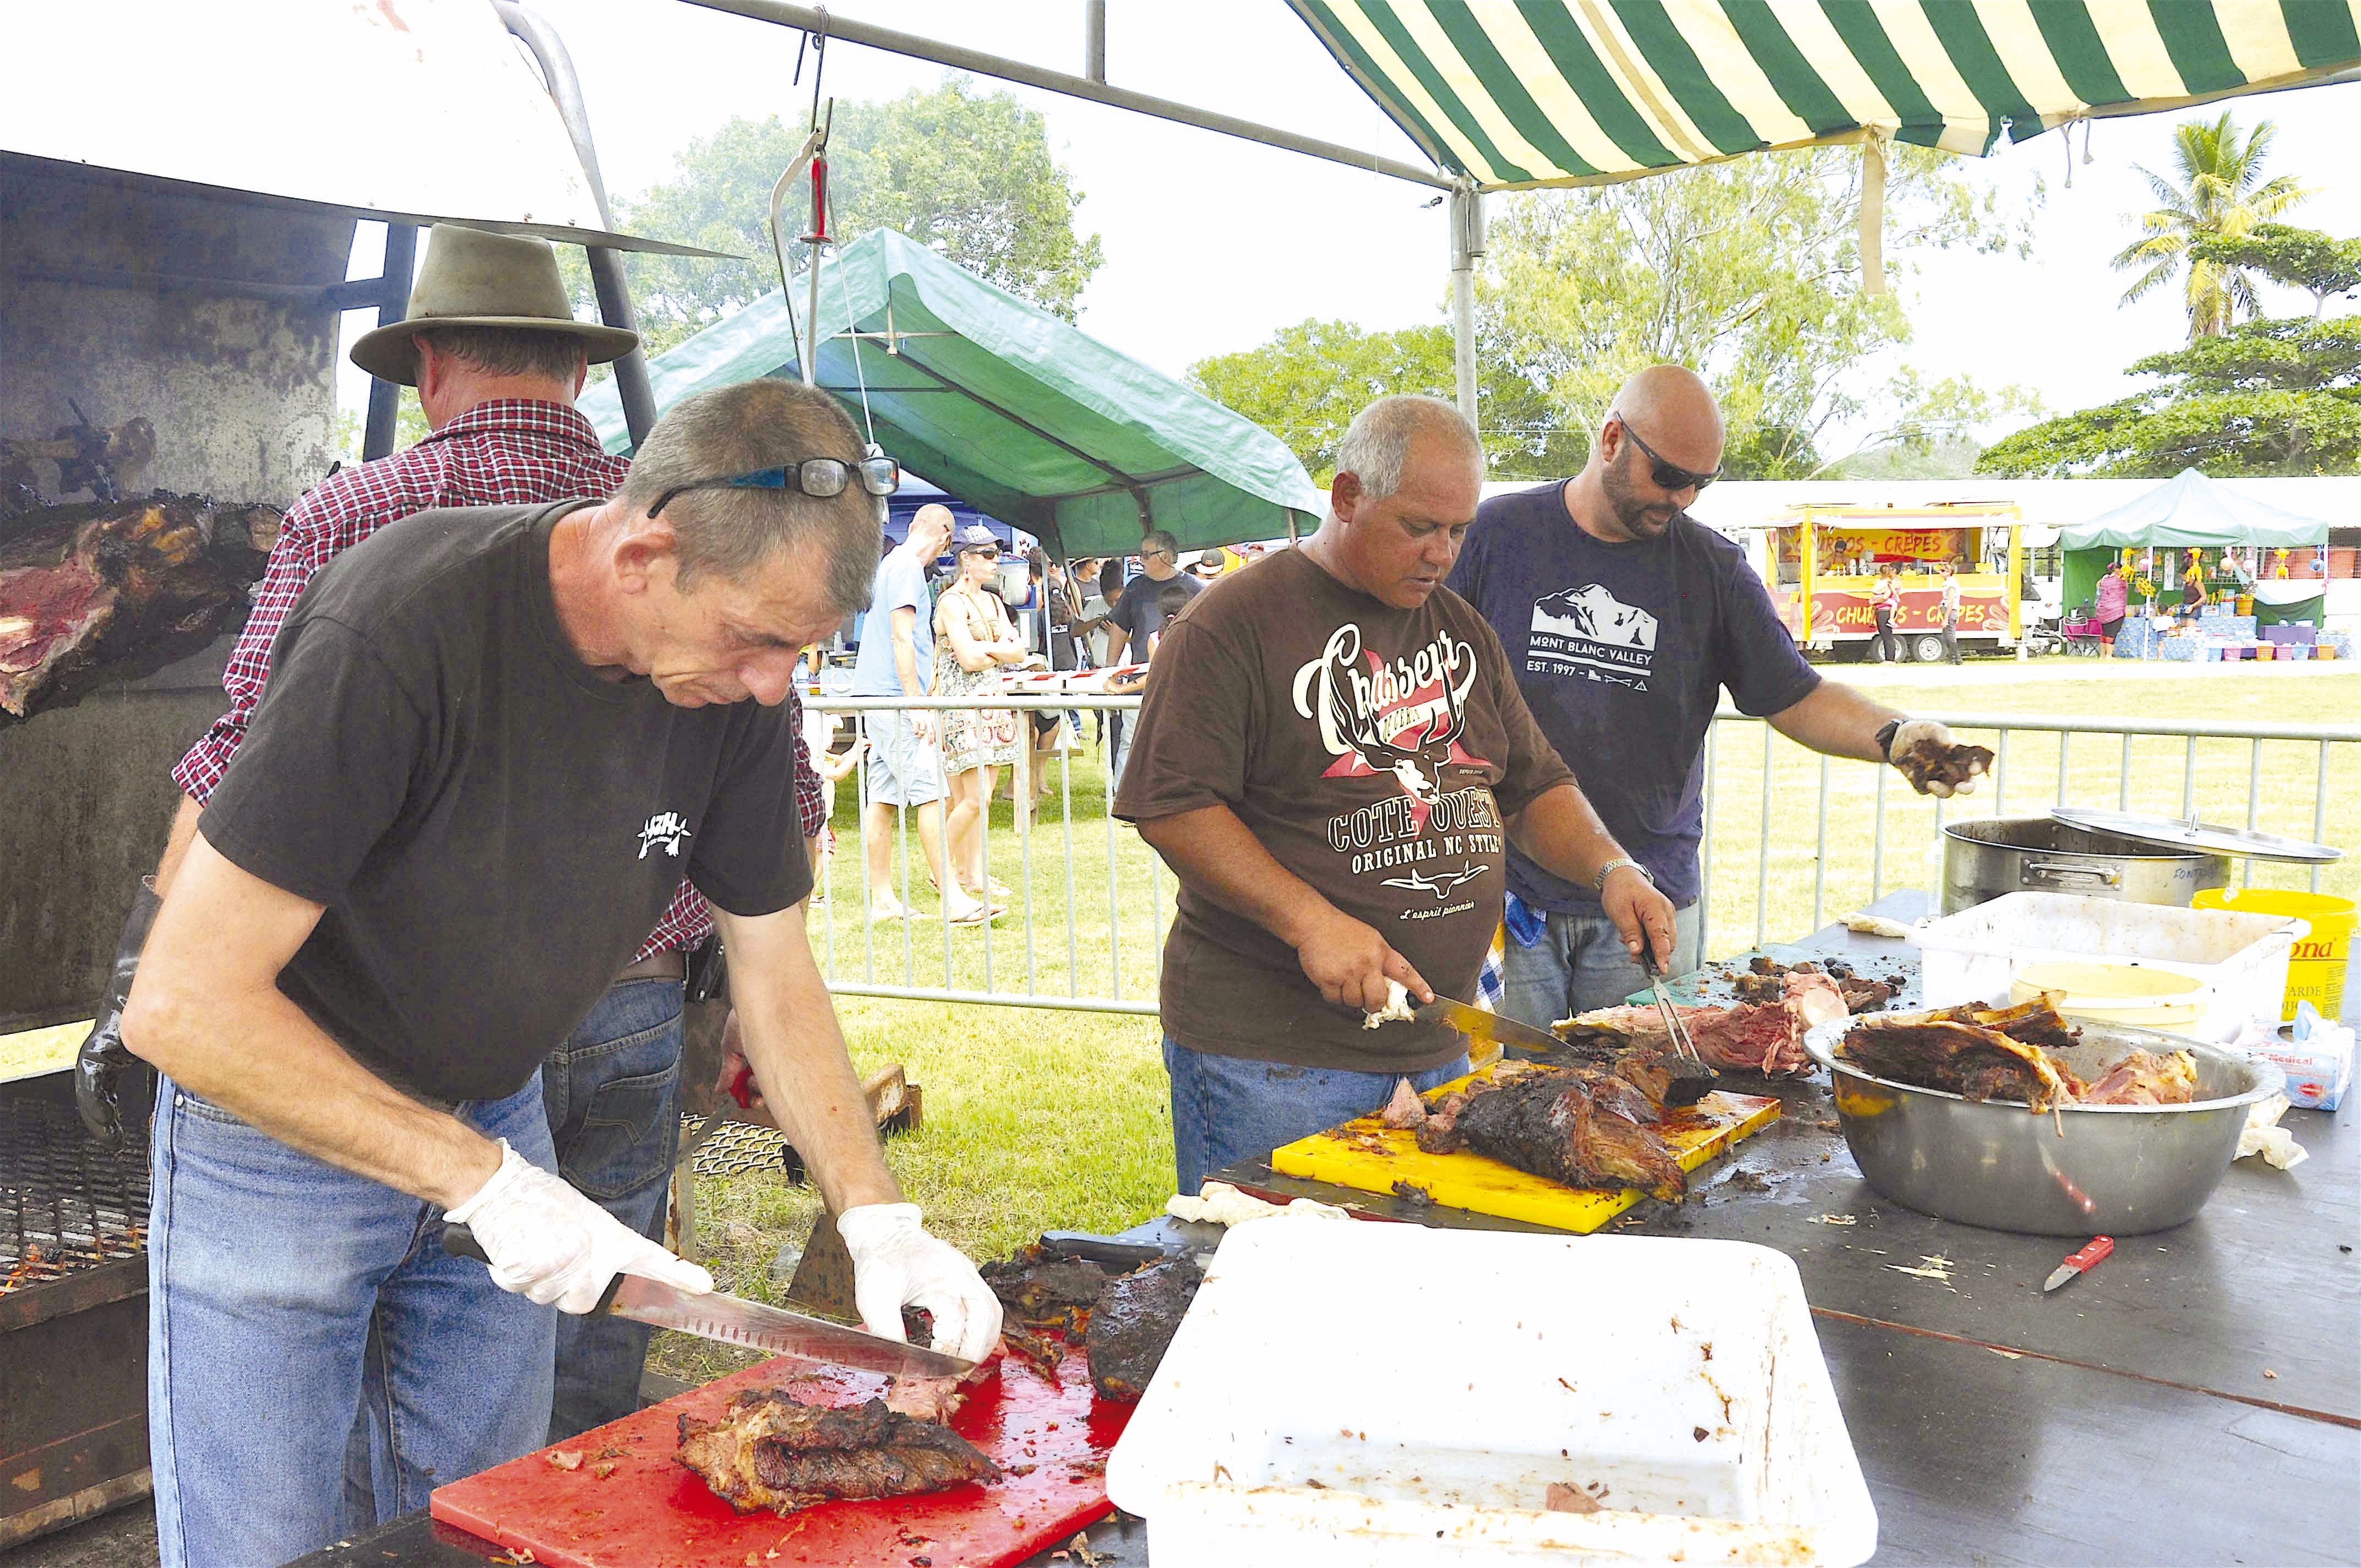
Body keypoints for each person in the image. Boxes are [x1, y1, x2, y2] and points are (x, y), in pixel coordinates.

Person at [117, 379, 1002, 1568]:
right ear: (644, 552)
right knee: (263, 1542)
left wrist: (876, 1212)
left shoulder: (735, 685)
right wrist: (483, 1183)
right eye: (755, 640)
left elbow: (772, 966)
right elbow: (181, 1003)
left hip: (494, 1101)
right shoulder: (404, 624)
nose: (770, 684)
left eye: (798, 651)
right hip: (277, 1132)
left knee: (486, 1520)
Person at [66, 225, 829, 1454]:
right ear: (577, 369)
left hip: (427, 1045)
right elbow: (782, 816)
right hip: (619, 1004)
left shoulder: (360, 509)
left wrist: (139, 966)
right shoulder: (704, 531)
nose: (764, 673)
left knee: (356, 1407)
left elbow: (231, 771)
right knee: (558, 1387)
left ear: (426, 366)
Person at [1116, 396, 1677, 1195]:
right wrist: (1310, 921)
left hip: (1436, 1046)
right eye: (1420, 527)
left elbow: (1532, 786)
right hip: (1273, 1062)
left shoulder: (1460, 630)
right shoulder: (1232, 623)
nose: (1442, 553)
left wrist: (1612, 868)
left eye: (1459, 531)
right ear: (1347, 498)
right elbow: (1171, 805)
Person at [1446, 365, 1985, 1031]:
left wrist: (1894, 736)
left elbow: (1795, 693)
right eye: (1671, 476)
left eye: (1703, 482)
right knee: (1502, 1102)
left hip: (1648, 904)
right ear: (1612, 439)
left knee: (1644, 1105)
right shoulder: (1495, 536)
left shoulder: (1712, 569)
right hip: (1505, 894)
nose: (1685, 499)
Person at [852, 504, 991, 924]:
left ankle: (883, 900)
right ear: (946, 539)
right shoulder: (910, 570)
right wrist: (917, 703)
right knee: (931, 793)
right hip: (896, 698)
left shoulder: (886, 566)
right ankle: (952, 898)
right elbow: (902, 638)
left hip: (875, 694)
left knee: (883, 797)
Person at [933, 524, 1030, 905]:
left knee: (979, 800)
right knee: (971, 799)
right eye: (987, 555)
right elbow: (969, 660)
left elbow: (1019, 651)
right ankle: (939, 868)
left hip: (992, 702)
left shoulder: (992, 601)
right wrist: (997, 649)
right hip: (961, 705)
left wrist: (987, 648)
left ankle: (970, 874)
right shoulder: (950, 603)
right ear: (966, 559)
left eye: (996, 554)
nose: (995, 562)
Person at [1105, 531, 1201, 786]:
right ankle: (1122, 792)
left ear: (1166, 556)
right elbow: (1119, 628)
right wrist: (1110, 670)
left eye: (1146, 555)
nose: (1141, 560)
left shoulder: (1196, 589)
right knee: (1131, 739)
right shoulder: (1135, 588)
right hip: (1140, 683)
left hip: (1184, 686)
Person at [2095, 560, 2129, 658]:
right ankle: (2109, 655)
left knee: (2104, 633)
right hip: (2116, 610)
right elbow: (2126, 586)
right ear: (2118, 570)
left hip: (2102, 610)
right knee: (2112, 633)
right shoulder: (2121, 579)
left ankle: (2102, 655)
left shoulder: (2104, 579)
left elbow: (2098, 587)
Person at [1870, 560, 1902, 664]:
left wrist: (1874, 601)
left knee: (1887, 635)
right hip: (1882, 609)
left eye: (1891, 570)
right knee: (1884, 635)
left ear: (1895, 570)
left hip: (1886, 610)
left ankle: (1890, 659)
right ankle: (1888, 658)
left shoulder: (1894, 582)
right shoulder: (1889, 582)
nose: (1889, 572)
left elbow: (1885, 597)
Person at [1939, 559, 1965, 665]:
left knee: (1950, 636)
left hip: (1950, 612)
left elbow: (1951, 601)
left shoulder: (1951, 584)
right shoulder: (1948, 583)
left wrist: (1946, 618)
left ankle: (1955, 658)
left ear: (1949, 572)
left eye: (1943, 570)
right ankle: (1955, 658)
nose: (1940, 572)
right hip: (1948, 610)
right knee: (1946, 637)